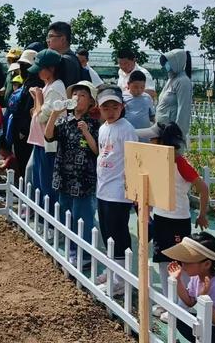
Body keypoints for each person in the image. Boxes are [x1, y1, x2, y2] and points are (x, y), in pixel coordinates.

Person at [136, 122, 209, 321]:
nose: (150, 142)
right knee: (162, 259)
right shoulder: (156, 162)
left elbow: (203, 188)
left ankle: (182, 304)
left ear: (166, 142)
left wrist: (202, 214)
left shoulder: (181, 163)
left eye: (154, 139)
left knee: (181, 264)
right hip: (160, 218)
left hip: (178, 220)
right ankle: (168, 301)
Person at [44, 81, 100, 265]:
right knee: (66, 213)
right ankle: (71, 248)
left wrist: (85, 131)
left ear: (91, 102)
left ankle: (85, 255)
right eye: (75, 94)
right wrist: (54, 114)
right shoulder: (64, 121)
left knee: (82, 216)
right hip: (64, 175)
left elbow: (96, 150)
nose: (77, 98)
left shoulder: (93, 124)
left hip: (83, 178)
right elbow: (48, 136)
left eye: (82, 95)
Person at [95, 85, 138, 296]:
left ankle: (121, 280)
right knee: (107, 233)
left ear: (122, 107)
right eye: (105, 107)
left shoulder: (126, 128)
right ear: (99, 108)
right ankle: (113, 270)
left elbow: (133, 160)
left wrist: (133, 191)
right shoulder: (103, 128)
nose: (110, 111)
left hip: (119, 191)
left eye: (114, 106)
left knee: (118, 234)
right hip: (103, 189)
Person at [164, 232, 215, 342]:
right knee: (178, 318)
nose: (182, 265)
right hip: (210, 325)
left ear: (206, 264)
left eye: (187, 261)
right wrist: (177, 279)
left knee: (204, 332)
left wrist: (204, 296)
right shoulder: (196, 277)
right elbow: (189, 302)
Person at [27, 49, 66, 214]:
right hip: (40, 142)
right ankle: (41, 217)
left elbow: (41, 116)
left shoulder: (56, 88)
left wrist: (38, 98)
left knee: (47, 185)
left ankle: (49, 221)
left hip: (48, 145)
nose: (39, 73)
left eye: (41, 69)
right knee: (38, 183)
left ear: (51, 68)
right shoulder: (48, 86)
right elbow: (35, 113)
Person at [12, 49, 41, 180]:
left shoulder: (34, 83)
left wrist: (23, 130)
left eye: (26, 66)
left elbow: (28, 109)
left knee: (25, 160)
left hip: (26, 131)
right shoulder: (27, 82)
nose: (23, 68)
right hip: (21, 128)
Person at [156, 49, 193, 147]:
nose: (166, 65)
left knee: (171, 161)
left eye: (168, 62)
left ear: (176, 62)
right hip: (161, 129)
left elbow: (184, 109)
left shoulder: (183, 82)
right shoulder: (171, 80)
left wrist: (177, 135)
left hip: (171, 134)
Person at [46, 21, 90, 87]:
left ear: (63, 39)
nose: (47, 40)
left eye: (51, 36)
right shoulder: (72, 59)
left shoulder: (64, 61)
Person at [123, 70, 155, 140]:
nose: (139, 90)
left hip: (144, 136)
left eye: (142, 87)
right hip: (128, 135)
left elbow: (152, 116)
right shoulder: (123, 97)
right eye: (135, 87)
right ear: (128, 84)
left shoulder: (147, 98)